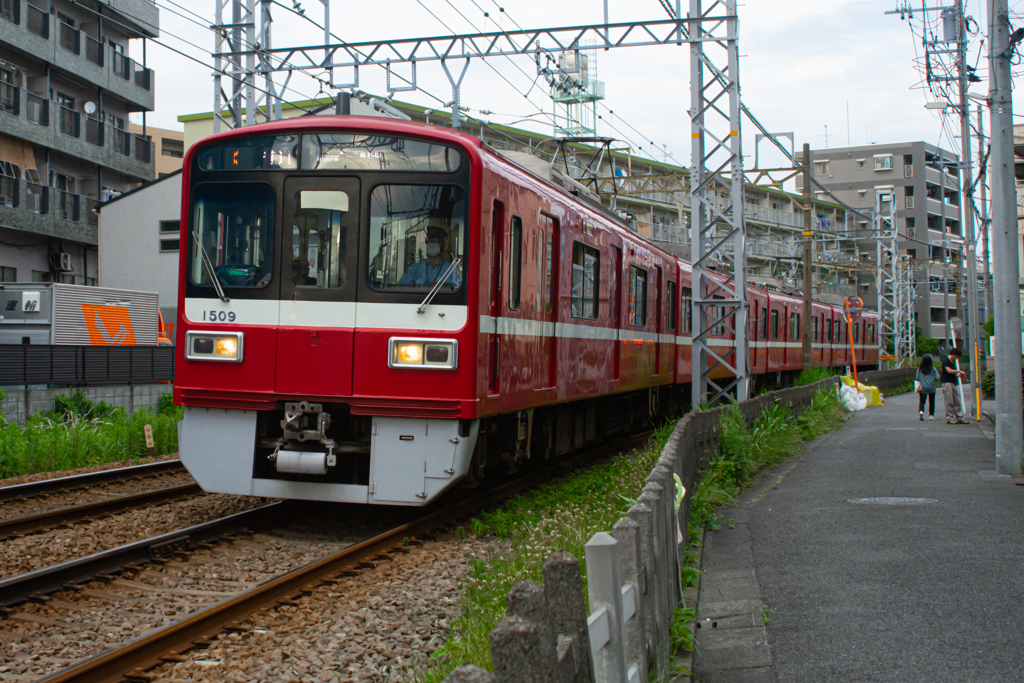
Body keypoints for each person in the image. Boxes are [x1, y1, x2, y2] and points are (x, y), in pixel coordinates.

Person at [398, 225, 462, 288]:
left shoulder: (451, 271)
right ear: (426, 242)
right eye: (430, 240)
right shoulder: (415, 269)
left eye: (435, 240)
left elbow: (458, 291)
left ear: (443, 245)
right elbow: (400, 289)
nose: (432, 243)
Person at [940, 348, 967, 424]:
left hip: (953, 382)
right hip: (947, 383)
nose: (957, 358)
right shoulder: (946, 360)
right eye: (957, 356)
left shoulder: (952, 362)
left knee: (957, 401)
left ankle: (959, 417)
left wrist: (959, 375)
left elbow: (952, 372)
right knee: (949, 401)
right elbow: (949, 370)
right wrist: (958, 371)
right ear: (954, 355)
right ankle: (949, 418)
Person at [915, 355, 940, 421]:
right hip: (931, 387)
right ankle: (931, 415)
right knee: (931, 401)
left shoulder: (919, 369)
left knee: (922, 401)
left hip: (923, 388)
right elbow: (937, 378)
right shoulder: (933, 369)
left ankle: (921, 411)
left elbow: (917, 378)